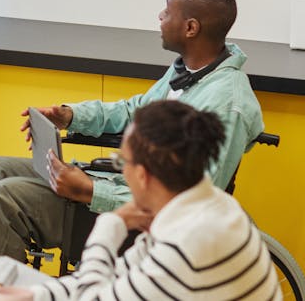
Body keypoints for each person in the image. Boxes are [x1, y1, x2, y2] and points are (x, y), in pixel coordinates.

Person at [0, 0, 265, 260]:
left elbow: (193, 199)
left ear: (191, 28)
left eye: (167, 11)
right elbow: (135, 111)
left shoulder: (227, 103)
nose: (160, 16)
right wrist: (70, 116)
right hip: (121, 181)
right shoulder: (188, 71)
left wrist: (90, 191)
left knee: (7, 198)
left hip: (137, 216)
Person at [30, 100, 280, 300]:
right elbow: (120, 274)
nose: (121, 168)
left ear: (142, 175)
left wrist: (112, 223)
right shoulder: (209, 205)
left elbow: (91, 296)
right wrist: (32, 295)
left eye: (122, 162)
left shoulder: (184, 246)